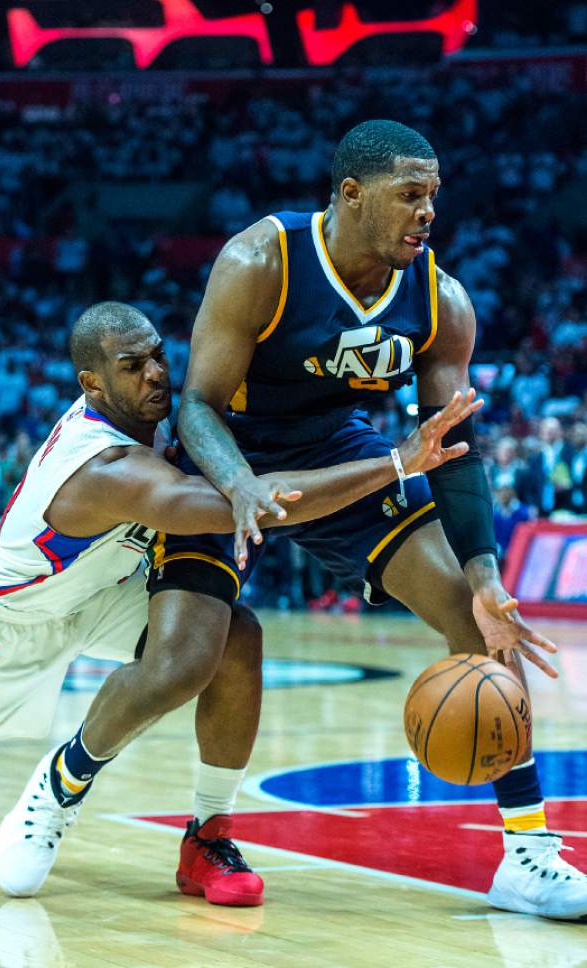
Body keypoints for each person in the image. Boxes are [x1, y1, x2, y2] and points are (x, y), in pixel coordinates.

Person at [157, 121, 583, 920]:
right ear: (351, 195)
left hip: (344, 459)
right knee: (185, 657)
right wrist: (242, 483)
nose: (427, 213)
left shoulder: (439, 300)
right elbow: (196, 407)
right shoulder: (261, 261)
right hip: (234, 461)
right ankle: (84, 796)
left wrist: (488, 572)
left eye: (432, 197)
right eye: (408, 196)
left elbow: (453, 447)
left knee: (477, 615)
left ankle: (529, 855)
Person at [0, 301, 474, 905]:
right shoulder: (104, 467)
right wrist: (396, 463)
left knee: (231, 640)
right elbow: (255, 505)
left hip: (99, 592)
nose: (155, 374)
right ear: (92, 384)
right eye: (131, 366)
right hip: (12, 613)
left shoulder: (166, 419)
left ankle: (156, 815)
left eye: (157, 356)